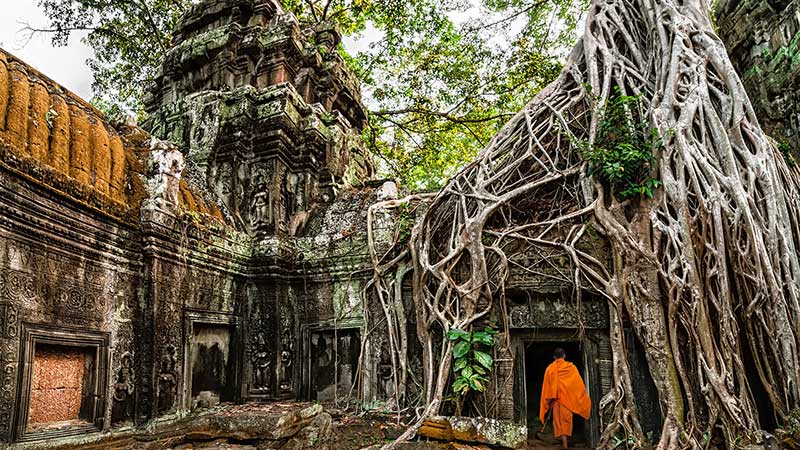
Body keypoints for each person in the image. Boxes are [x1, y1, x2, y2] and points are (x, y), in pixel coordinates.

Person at [540, 347, 591, 449]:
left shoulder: (550, 368)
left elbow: (547, 387)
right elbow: (577, 385)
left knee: (558, 421)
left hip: (555, 401)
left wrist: (549, 401)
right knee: (566, 420)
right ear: (564, 356)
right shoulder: (571, 368)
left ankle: (564, 442)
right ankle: (565, 442)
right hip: (567, 400)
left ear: (554, 357)